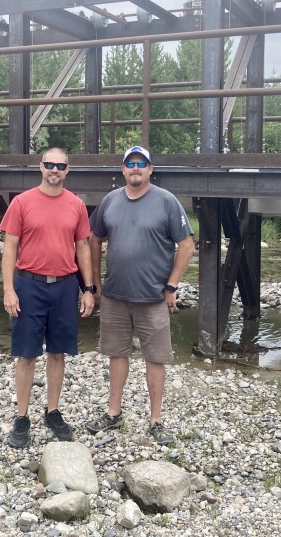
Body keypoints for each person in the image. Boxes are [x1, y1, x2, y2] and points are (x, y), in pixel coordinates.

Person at [85, 145, 195, 444]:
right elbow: (93, 240)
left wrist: (171, 285)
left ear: (150, 169)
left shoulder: (167, 202)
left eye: (141, 163)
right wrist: (94, 284)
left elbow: (186, 245)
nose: (135, 168)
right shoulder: (109, 201)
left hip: (153, 299)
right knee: (117, 355)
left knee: (155, 359)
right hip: (115, 297)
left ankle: (156, 420)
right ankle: (113, 413)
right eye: (130, 163)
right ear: (123, 170)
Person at [0, 147, 97, 448]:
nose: (55, 170)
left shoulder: (77, 205)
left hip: (65, 286)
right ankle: (21, 417)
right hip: (29, 285)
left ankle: (52, 411)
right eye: (50, 165)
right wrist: (8, 289)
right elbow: (9, 248)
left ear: (68, 170)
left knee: (58, 352)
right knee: (26, 353)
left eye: (61, 166)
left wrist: (90, 289)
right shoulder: (21, 202)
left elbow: (83, 248)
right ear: (40, 167)